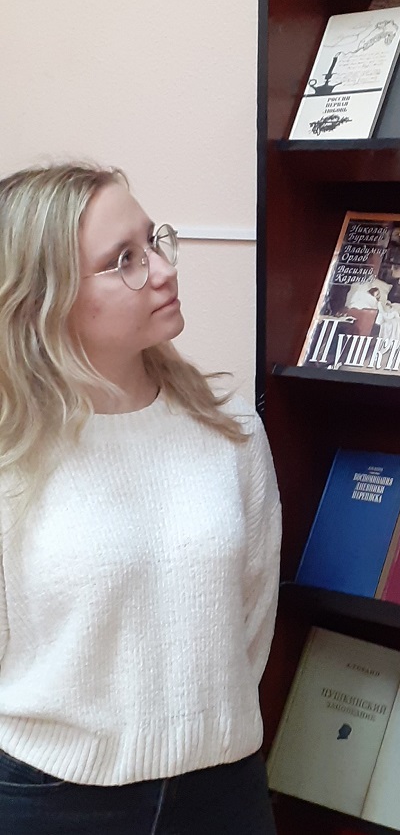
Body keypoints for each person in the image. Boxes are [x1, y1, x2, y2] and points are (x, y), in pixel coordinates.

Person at [0, 163, 281, 834]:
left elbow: (253, 613)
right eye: (123, 260)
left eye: (153, 241)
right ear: (46, 300)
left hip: (225, 790)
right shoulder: (12, 455)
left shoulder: (230, 427)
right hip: (53, 799)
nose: (162, 270)